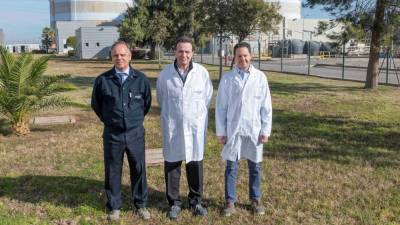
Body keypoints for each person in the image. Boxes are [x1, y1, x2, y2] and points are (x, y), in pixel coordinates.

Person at [91, 41, 152, 221]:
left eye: (123, 55)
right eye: (116, 55)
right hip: (112, 134)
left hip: (135, 133)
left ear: (130, 56)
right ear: (112, 57)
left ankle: (140, 204)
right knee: (112, 170)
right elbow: (96, 105)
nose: (119, 58)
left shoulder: (140, 79)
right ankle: (114, 206)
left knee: (139, 168)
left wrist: (133, 121)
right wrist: (110, 121)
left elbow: (146, 104)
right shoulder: (103, 80)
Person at [156, 37, 213, 220]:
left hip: (194, 128)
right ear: (175, 52)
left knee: (195, 164)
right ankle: (174, 202)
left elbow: (207, 98)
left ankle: (196, 201)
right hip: (173, 128)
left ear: (192, 53)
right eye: (181, 51)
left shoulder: (202, 73)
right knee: (172, 165)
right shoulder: (165, 74)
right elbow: (161, 99)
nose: (184, 55)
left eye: (187, 51)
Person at [215, 42, 272, 217]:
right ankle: (230, 201)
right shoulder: (227, 78)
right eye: (239, 56)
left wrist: (265, 130)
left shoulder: (260, 77)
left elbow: (266, 106)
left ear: (251, 56)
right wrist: (221, 131)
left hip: (253, 129)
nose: (242, 59)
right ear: (234, 58)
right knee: (231, 166)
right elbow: (221, 107)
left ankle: (255, 199)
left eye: (245, 55)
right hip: (234, 129)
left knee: (255, 166)